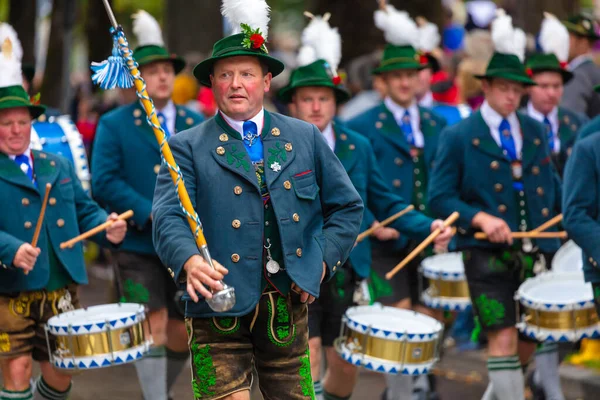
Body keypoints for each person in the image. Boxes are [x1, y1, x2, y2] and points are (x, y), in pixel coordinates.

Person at [151, 2, 364, 399]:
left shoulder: (304, 137)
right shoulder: (184, 146)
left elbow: (347, 208)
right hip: (217, 303)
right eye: (226, 75)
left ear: (266, 82)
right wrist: (189, 260)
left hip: (287, 306)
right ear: (212, 83)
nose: (236, 84)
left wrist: (319, 260)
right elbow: (167, 216)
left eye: (247, 74)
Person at [278, 14, 453, 400]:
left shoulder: (357, 144)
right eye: (307, 98)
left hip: (348, 265)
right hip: (298, 266)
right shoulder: (278, 146)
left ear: (336, 103)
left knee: (346, 360)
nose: (316, 106)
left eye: (323, 98)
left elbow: (384, 199)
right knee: (307, 354)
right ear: (293, 104)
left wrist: (428, 226)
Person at [428, 10, 562, 400]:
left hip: (536, 250)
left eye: (517, 88)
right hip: (484, 255)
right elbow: (439, 197)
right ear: (485, 86)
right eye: (502, 86)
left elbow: (549, 187)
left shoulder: (536, 131)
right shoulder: (459, 134)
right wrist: (480, 217)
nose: (510, 95)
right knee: (501, 335)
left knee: (529, 338)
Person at [0, 31, 127, 400]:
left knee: (60, 373)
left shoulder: (55, 163)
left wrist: (107, 228)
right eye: (6, 123)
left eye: (21, 122)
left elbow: (86, 211)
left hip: (61, 283)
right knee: (18, 368)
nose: (15, 130)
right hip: (10, 288)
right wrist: (10, 248)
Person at [91, 10, 204, 400]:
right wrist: (151, 210)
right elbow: (104, 180)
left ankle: (157, 393)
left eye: (167, 70)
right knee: (151, 324)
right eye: (151, 70)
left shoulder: (195, 120)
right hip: (139, 243)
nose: (161, 77)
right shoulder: (115, 123)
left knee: (178, 332)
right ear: (136, 75)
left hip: (185, 245)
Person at [346, 6, 447, 399]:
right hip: (384, 238)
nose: (405, 82)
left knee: (431, 315)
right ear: (384, 81)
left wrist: (437, 224)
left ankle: (420, 384)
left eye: (410, 74)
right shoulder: (361, 125)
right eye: (396, 76)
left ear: (420, 79)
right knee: (400, 318)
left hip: (428, 234)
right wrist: (374, 220)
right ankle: (403, 392)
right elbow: (354, 185)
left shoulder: (440, 124)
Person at [524, 14, 586, 178]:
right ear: (529, 87)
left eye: (556, 86)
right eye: (543, 86)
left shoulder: (578, 122)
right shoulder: (516, 123)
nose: (551, 93)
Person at [561, 14, 600, 118]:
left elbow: (570, 121)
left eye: (567, 38)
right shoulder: (593, 70)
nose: (562, 43)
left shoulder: (578, 75)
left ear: (583, 42)